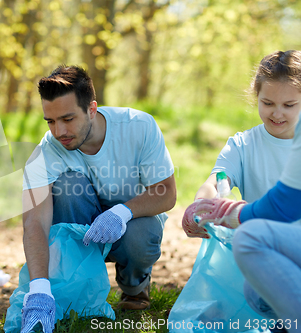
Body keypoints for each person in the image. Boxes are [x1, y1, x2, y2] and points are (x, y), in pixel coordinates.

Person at [20, 66, 176, 332]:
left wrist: (121, 213)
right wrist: (39, 287)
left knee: (144, 233)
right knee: (68, 186)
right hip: (81, 220)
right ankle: (81, 284)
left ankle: (134, 286)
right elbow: (34, 222)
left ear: (91, 109)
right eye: (51, 121)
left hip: (131, 221)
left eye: (68, 119)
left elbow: (166, 192)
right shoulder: (47, 152)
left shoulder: (138, 126)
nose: (59, 131)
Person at [190, 50, 301, 329]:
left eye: (289, 105)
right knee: (255, 292)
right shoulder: (243, 145)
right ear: (256, 98)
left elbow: (286, 204)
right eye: (268, 103)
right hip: (268, 252)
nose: (277, 113)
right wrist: (200, 205)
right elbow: (218, 180)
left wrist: (236, 213)